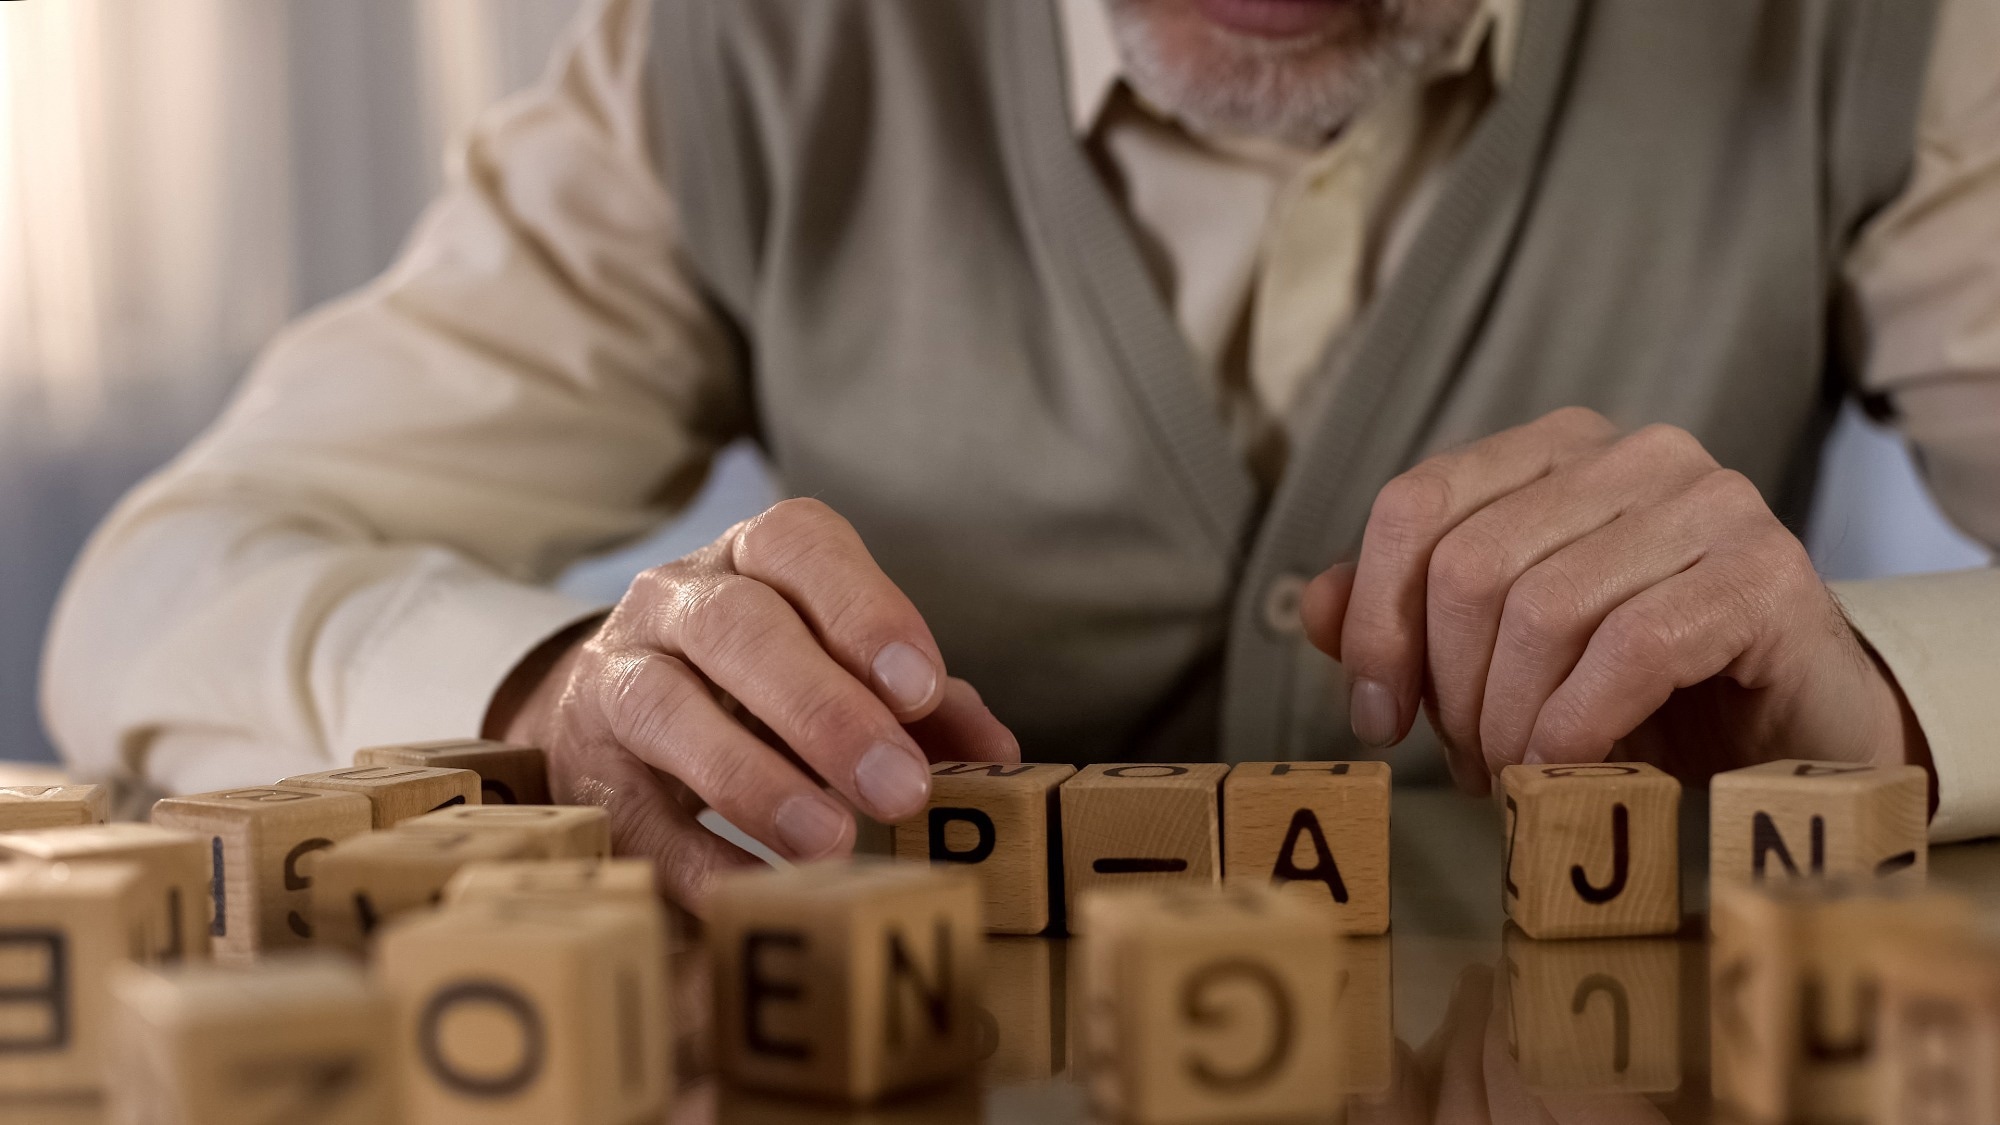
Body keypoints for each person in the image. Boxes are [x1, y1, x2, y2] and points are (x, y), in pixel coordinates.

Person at [43, 0, 2000, 908]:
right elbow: (163, 577)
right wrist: (555, 686)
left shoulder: (1881, 33)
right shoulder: (729, 50)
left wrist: (1886, 698)